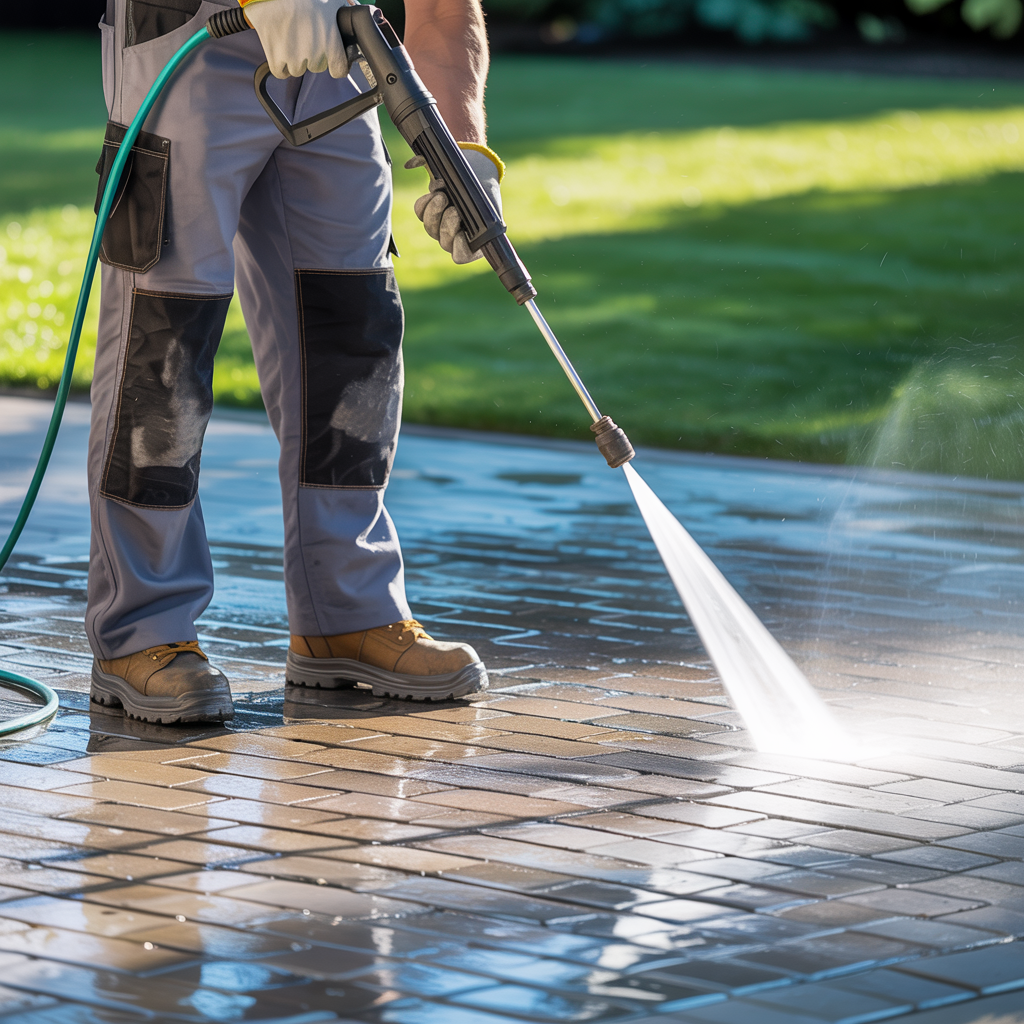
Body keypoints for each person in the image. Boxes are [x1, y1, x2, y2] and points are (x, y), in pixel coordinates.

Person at [86, 0, 504, 722]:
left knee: (352, 330)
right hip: (190, 36)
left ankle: (347, 612)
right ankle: (143, 630)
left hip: (335, 50)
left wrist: (462, 148)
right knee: (167, 342)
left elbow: (443, 8)